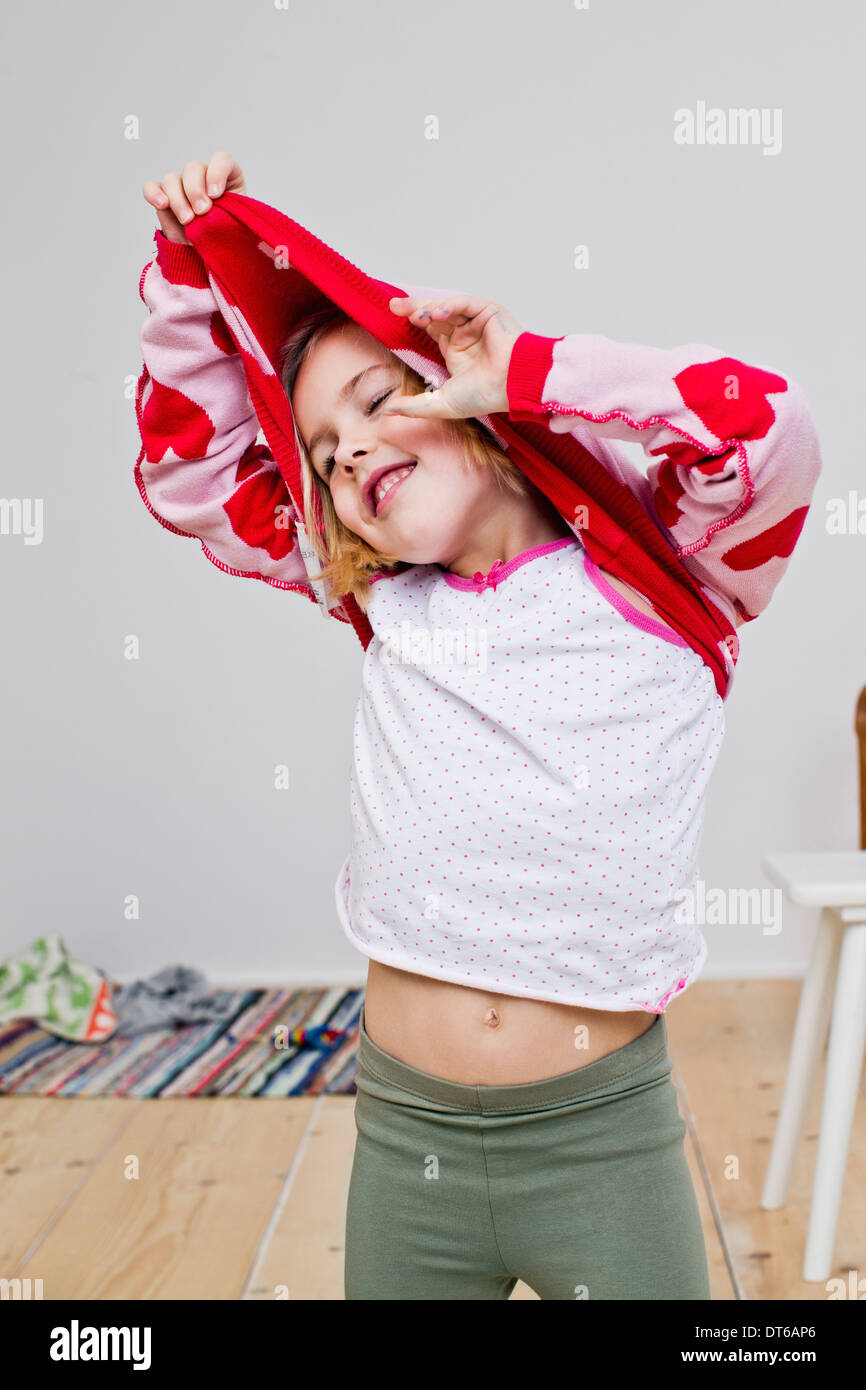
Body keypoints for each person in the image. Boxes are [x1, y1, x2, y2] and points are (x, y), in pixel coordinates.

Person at [138, 152, 822, 1300]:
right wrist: (184, 268)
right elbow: (190, 470)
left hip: (600, 1141)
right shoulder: (373, 597)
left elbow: (768, 430)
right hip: (412, 1146)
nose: (350, 450)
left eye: (374, 401)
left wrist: (532, 374)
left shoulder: (668, 576)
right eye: (323, 453)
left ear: (466, 396)